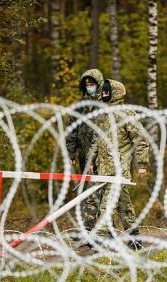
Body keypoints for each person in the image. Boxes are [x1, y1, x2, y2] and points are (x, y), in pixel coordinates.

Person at [87, 79, 149, 250]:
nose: (105, 94)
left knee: (106, 205)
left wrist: (142, 164)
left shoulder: (126, 114)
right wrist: (92, 161)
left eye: (108, 92)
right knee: (123, 204)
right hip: (104, 169)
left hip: (119, 169)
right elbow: (96, 141)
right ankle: (135, 237)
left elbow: (141, 139)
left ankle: (100, 240)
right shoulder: (102, 115)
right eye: (104, 92)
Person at [66, 69, 105, 233]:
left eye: (92, 84)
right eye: (87, 84)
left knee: (100, 191)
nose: (89, 87)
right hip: (83, 155)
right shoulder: (79, 107)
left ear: (99, 84)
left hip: (102, 156)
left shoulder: (104, 104)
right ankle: (87, 229)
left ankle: (100, 230)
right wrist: (70, 152)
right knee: (85, 192)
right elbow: (72, 130)